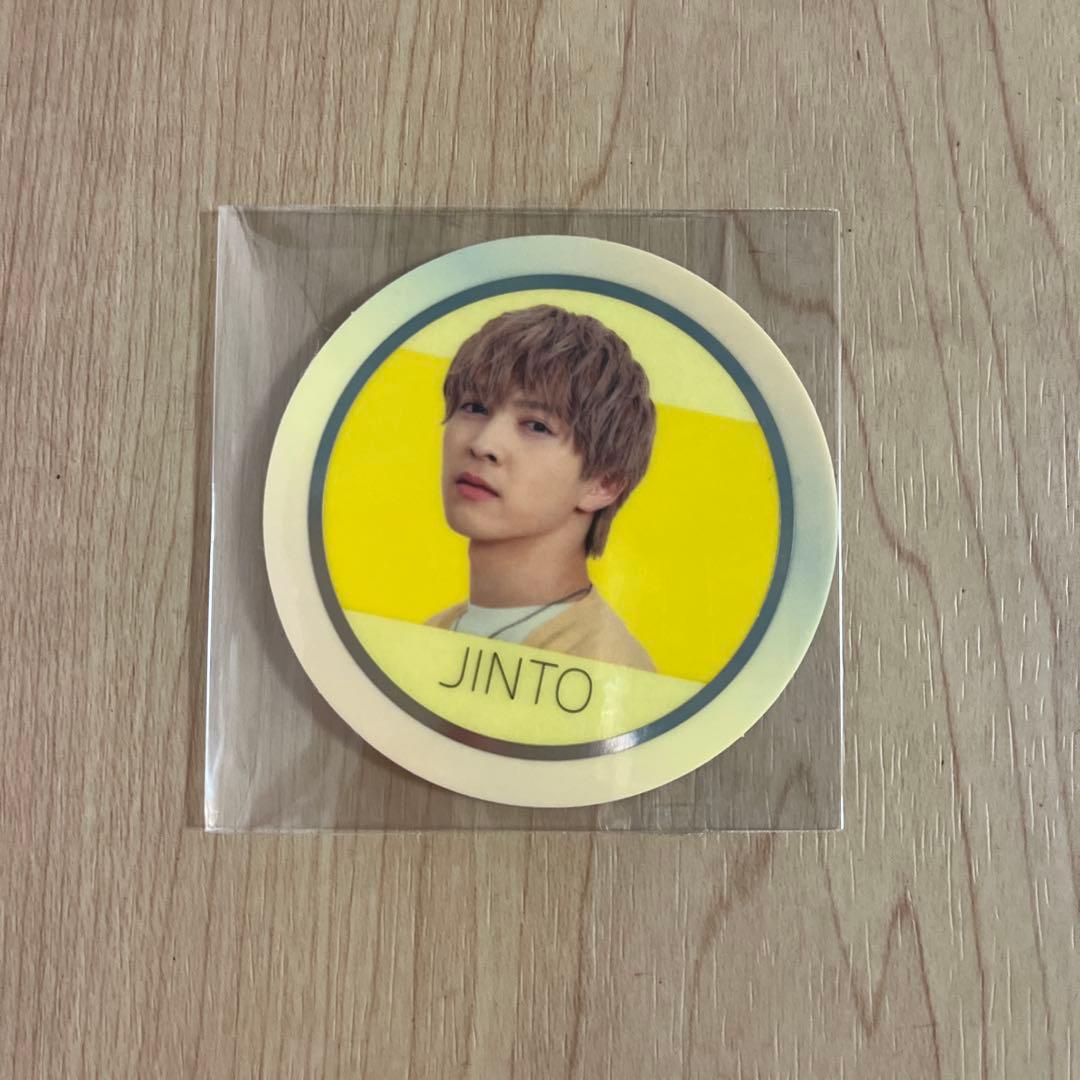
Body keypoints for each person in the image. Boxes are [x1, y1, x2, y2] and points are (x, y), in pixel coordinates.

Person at [426, 303, 657, 672]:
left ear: (604, 483)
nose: (484, 445)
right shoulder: (433, 632)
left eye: (536, 426)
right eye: (474, 407)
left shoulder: (608, 669)